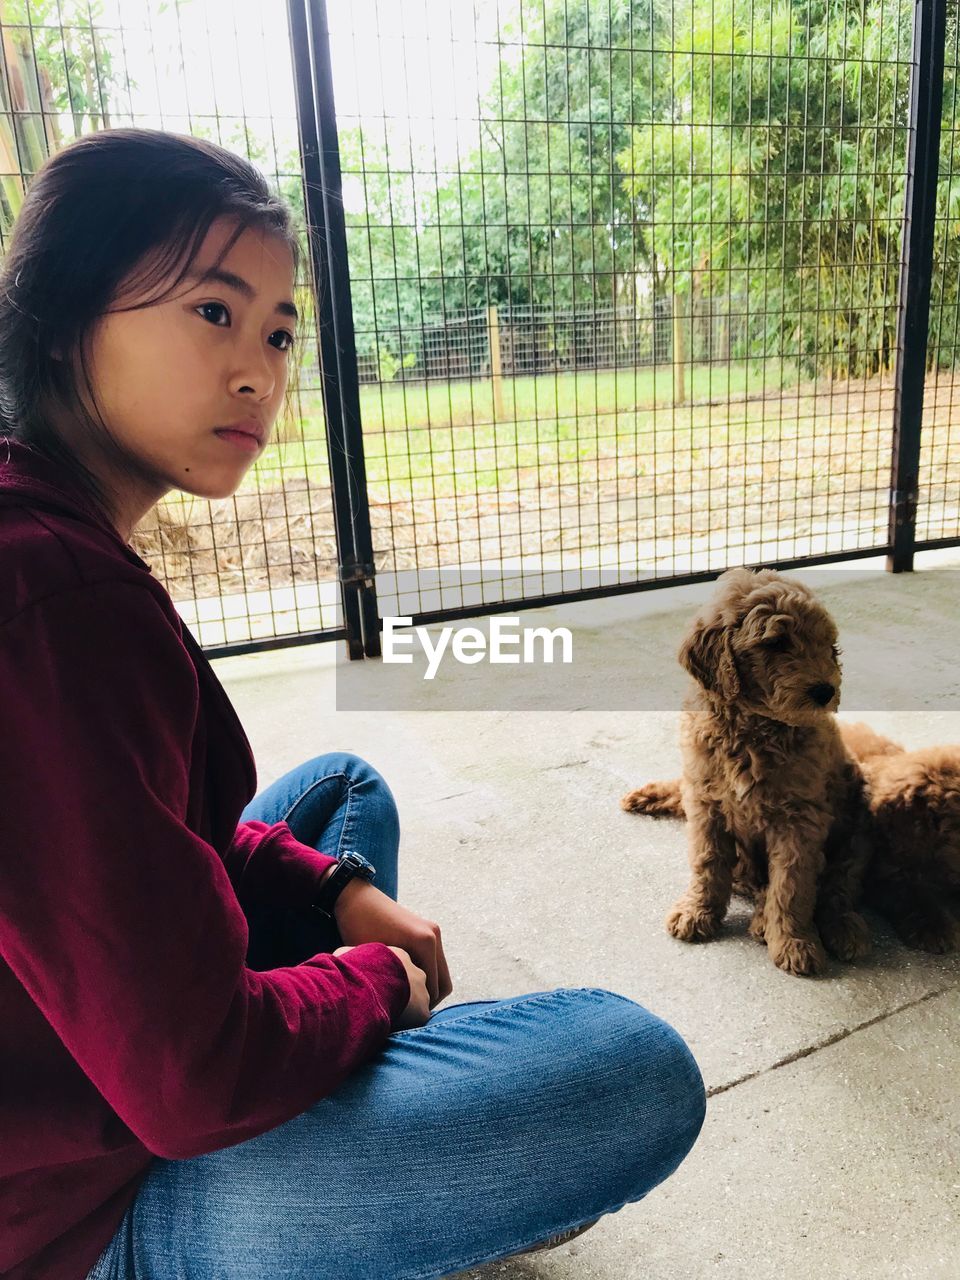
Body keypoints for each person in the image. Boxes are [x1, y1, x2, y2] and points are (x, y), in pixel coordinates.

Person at [0, 128, 706, 1280]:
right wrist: (378, 983)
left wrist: (331, 890)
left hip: (92, 1051)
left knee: (341, 796)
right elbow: (192, 1081)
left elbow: (142, 836)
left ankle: (379, 1144)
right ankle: (380, 1175)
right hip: (80, 1211)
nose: (260, 371)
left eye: (280, 330)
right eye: (214, 313)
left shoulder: (45, 527)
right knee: (631, 1066)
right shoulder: (53, 592)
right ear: (69, 308)